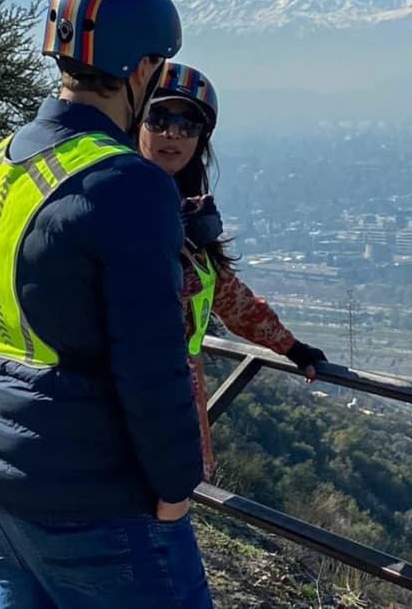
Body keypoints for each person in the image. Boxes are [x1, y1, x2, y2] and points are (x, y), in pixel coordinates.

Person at [0, 0, 213, 609]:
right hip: (94, 500)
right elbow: (151, 361)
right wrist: (176, 487)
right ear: (142, 67)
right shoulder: (126, 182)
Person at [139, 61, 328, 478]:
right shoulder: (120, 209)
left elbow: (225, 294)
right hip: (132, 420)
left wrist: (291, 348)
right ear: (137, 121)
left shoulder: (187, 219)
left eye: (188, 124)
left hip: (177, 413)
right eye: (159, 118)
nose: (173, 133)